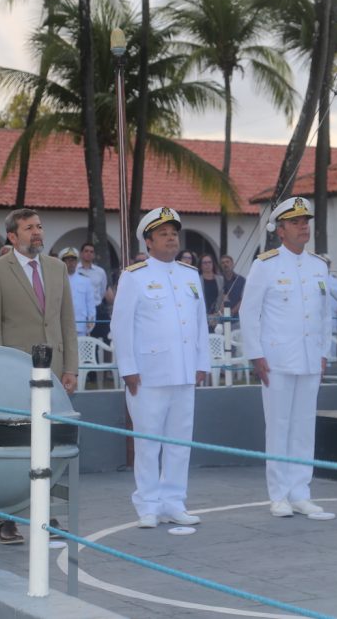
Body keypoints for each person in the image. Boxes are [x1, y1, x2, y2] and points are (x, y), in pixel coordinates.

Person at [0, 208, 79, 543]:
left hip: (52, 373)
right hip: (13, 374)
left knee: (47, 446)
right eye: (29, 227)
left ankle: (44, 513)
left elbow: (66, 322)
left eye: (39, 226)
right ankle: (3, 518)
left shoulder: (56, 268)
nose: (37, 232)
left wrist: (71, 368)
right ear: (12, 236)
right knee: (12, 447)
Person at [111, 207, 210, 529]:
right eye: (164, 233)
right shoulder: (134, 276)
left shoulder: (189, 275)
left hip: (183, 372)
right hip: (148, 374)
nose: (171, 238)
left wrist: (201, 363)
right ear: (149, 241)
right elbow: (121, 326)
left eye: (174, 233)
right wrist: (127, 368)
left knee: (180, 442)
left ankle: (174, 501)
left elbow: (199, 325)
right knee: (148, 442)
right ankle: (148, 504)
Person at [241, 197, 334, 519]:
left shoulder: (318, 265)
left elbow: (324, 316)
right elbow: (249, 312)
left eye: (305, 221)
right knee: (279, 428)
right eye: (295, 222)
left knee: (304, 428)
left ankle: (301, 492)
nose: (303, 226)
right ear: (280, 230)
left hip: (310, 360)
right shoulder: (265, 265)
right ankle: (279, 494)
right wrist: (256, 354)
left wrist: (324, 352)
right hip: (277, 360)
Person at [60, 247, 96, 336]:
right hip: (61, 326)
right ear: (62, 262)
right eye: (67, 260)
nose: (70, 263)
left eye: (73, 260)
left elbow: (90, 304)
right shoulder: (57, 280)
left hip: (80, 326)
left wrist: (91, 323)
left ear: (76, 262)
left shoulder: (85, 281)